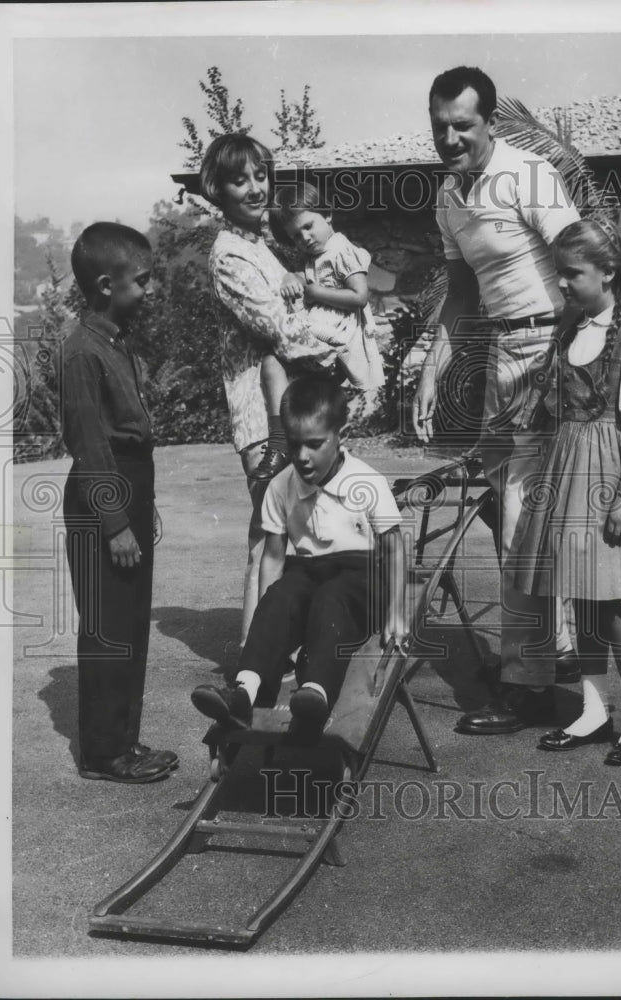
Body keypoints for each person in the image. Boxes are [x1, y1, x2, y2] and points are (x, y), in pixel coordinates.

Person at [413, 65, 582, 735]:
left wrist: (571, 361)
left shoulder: (529, 174)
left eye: (463, 125)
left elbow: (580, 264)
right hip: (497, 357)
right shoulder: (449, 195)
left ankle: (531, 688)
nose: (450, 138)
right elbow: (460, 296)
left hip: (548, 350)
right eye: (440, 127)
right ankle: (557, 644)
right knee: (497, 503)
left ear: (489, 122)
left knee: (521, 517)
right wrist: (432, 368)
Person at [510, 218, 621, 763]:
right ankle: (592, 709)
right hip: (566, 471)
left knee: (610, 606)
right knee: (579, 600)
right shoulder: (571, 329)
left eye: (572, 274)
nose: (561, 284)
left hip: (609, 476)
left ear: (608, 272)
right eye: (558, 274)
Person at [191, 375, 407, 743]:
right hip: (308, 571)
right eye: (294, 446)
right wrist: (268, 618)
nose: (303, 456)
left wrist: (396, 612)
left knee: (331, 599)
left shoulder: (367, 482)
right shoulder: (281, 486)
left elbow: (394, 548)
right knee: (280, 596)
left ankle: (316, 695)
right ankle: (245, 693)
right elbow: (273, 558)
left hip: (360, 579)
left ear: (342, 434)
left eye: (314, 444)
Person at [199, 134, 336, 646]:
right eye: (241, 180)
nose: (255, 188)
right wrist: (340, 359)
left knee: (296, 535)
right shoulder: (230, 256)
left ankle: (281, 653)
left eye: (261, 176)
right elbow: (280, 326)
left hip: (291, 405)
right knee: (268, 537)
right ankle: (253, 661)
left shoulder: (261, 245)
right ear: (218, 189)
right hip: (263, 417)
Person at [61, 222, 177, 783]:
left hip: (125, 486)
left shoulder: (112, 341)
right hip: (101, 493)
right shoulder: (82, 351)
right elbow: (89, 444)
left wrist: (138, 506)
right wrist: (114, 523)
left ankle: (125, 742)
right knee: (108, 625)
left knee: (130, 622)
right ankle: (105, 752)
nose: (150, 291)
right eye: (143, 281)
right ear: (107, 284)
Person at [262, 181, 384, 436]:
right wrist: (289, 279)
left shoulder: (341, 249)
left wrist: (317, 293)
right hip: (324, 322)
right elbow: (303, 277)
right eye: (296, 235)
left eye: (308, 227)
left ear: (327, 215)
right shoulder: (313, 255)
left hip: (341, 326)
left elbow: (360, 295)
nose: (305, 238)